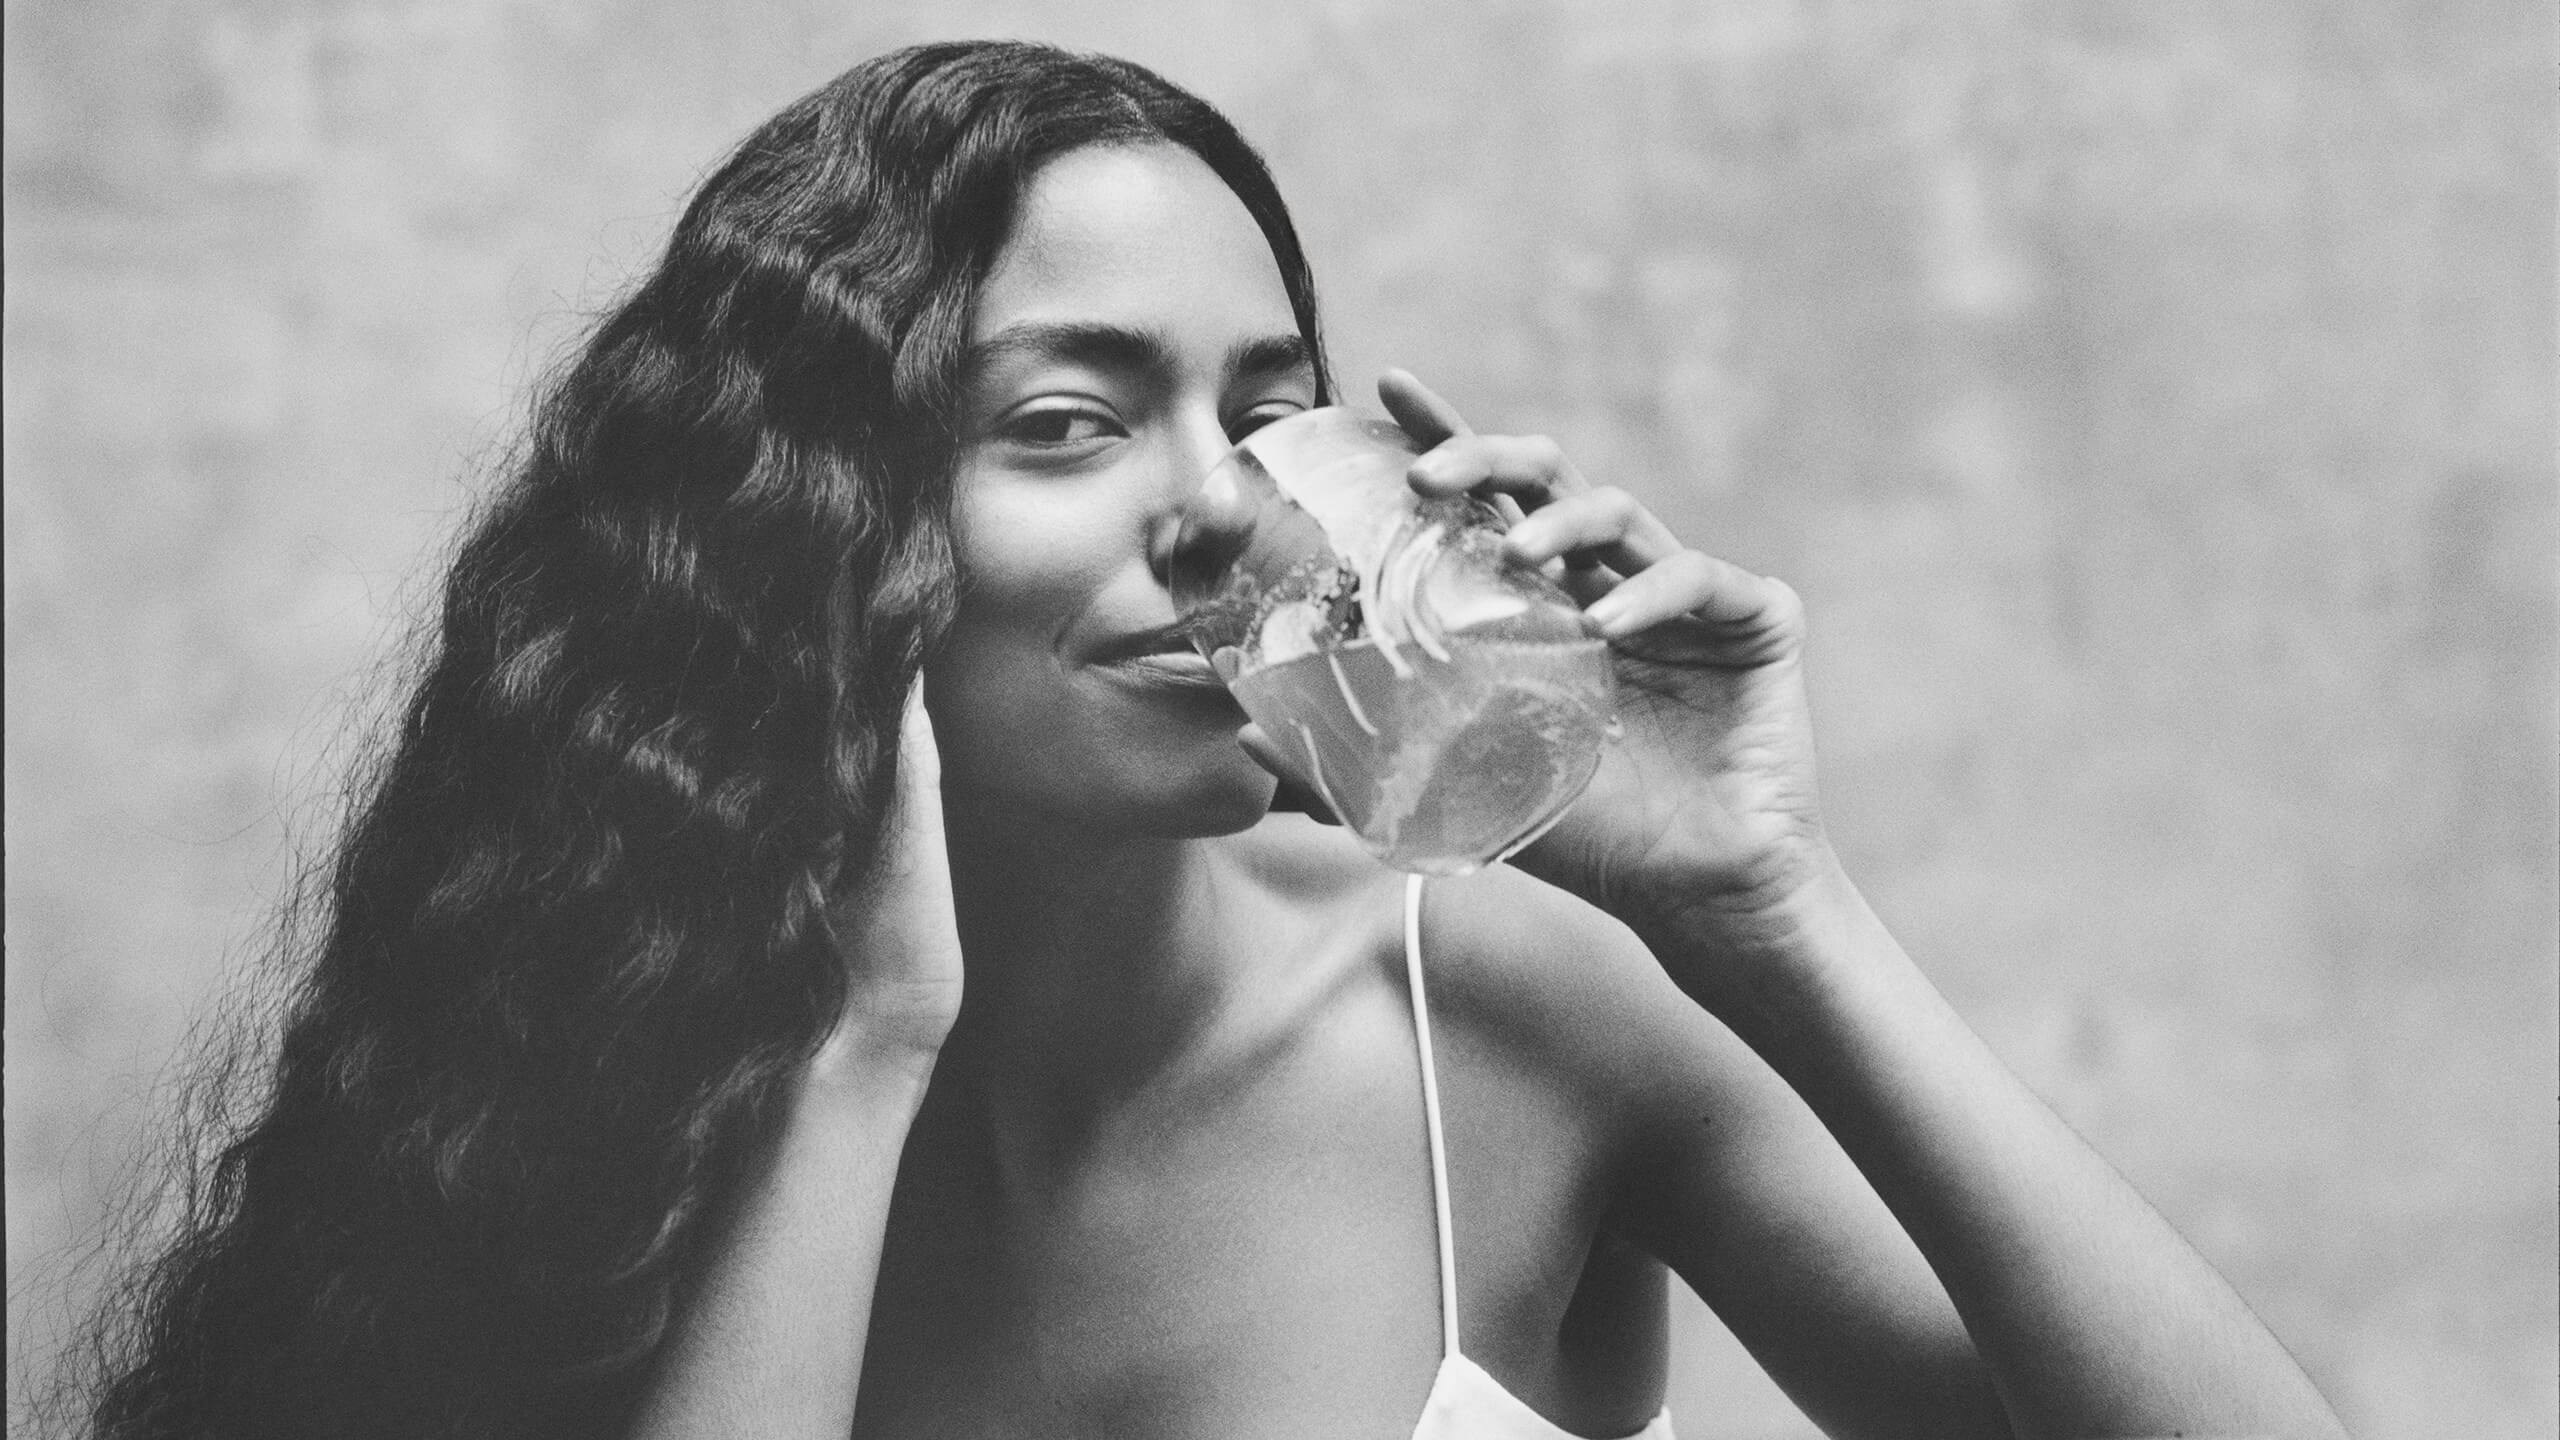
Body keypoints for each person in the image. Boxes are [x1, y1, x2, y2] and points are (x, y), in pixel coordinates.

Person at [82, 39, 2348, 1440]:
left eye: (1269, 411)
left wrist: (1774, 910)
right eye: (1066, 420)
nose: (1218, 503)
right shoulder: (620, 1094)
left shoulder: (1510, 1019)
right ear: (819, 537)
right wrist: (872, 1046)